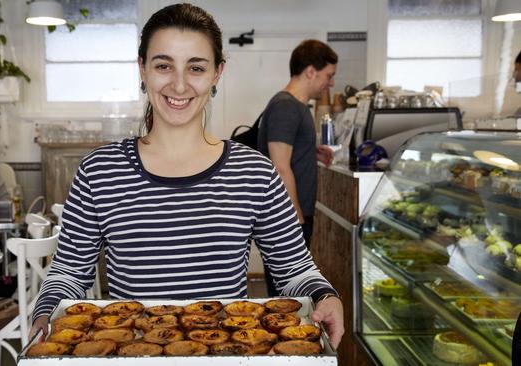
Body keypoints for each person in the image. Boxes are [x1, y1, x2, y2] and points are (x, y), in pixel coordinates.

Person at [30, 3, 344, 349]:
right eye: (163, 65)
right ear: (143, 70)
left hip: (225, 353)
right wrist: (45, 313)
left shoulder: (255, 172)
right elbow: (69, 272)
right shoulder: (99, 171)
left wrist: (325, 295)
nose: (179, 85)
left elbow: (293, 268)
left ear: (217, 74)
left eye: (196, 67)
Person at [256, 39, 336, 296]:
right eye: (328, 75)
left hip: (292, 213)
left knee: (288, 290)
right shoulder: (286, 106)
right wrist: (295, 218)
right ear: (310, 71)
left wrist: (310, 150)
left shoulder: (293, 107)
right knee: (285, 293)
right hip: (290, 216)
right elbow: (279, 166)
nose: (331, 83)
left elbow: (283, 152)